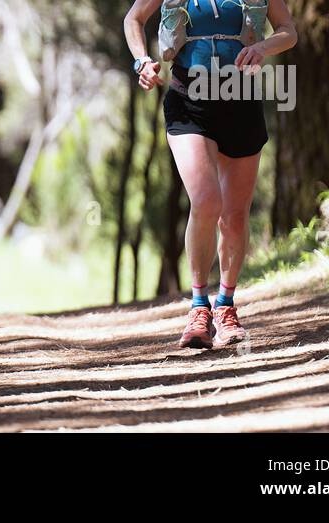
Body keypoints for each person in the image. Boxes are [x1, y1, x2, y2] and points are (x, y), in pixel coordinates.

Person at [122, 0, 296, 348]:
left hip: (242, 100)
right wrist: (142, 61)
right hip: (189, 101)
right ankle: (199, 306)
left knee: (233, 216)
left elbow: (288, 30)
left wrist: (262, 46)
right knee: (205, 200)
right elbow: (134, 19)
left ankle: (225, 306)